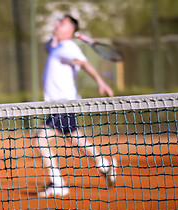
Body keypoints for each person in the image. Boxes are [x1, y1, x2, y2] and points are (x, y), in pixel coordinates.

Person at [34, 15, 117, 198]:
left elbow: (85, 64)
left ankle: (58, 184)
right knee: (76, 138)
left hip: (64, 103)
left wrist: (100, 82)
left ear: (70, 30)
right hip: (58, 105)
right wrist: (57, 34)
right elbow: (48, 45)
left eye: (61, 23)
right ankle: (105, 165)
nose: (56, 24)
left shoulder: (68, 47)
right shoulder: (57, 46)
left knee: (40, 139)